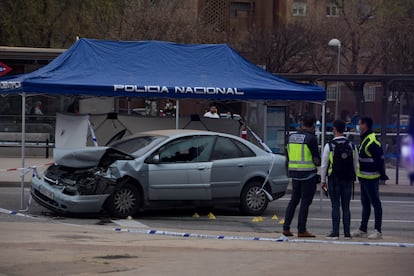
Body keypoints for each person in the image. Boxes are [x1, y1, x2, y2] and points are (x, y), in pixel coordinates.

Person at [283, 113, 321, 238]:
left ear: (302, 124)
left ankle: (286, 227)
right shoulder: (311, 139)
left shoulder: (291, 137)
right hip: (308, 175)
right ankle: (301, 229)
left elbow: (287, 155)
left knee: (293, 201)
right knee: (305, 202)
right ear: (312, 126)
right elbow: (317, 160)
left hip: (294, 174)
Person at [351, 116, 389, 239]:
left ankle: (378, 230)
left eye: (359, 123)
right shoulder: (365, 139)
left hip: (371, 179)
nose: (358, 126)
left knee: (375, 203)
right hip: (364, 178)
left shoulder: (372, 141)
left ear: (365, 125)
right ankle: (363, 229)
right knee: (365, 204)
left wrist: (382, 175)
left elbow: (379, 160)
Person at [321, 119, 358, 240]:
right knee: (346, 207)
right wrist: (353, 177)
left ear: (335, 129)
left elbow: (324, 165)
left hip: (334, 179)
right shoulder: (351, 145)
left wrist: (323, 180)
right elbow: (355, 163)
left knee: (335, 205)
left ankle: (335, 233)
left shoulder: (329, 145)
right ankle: (347, 234)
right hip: (348, 179)